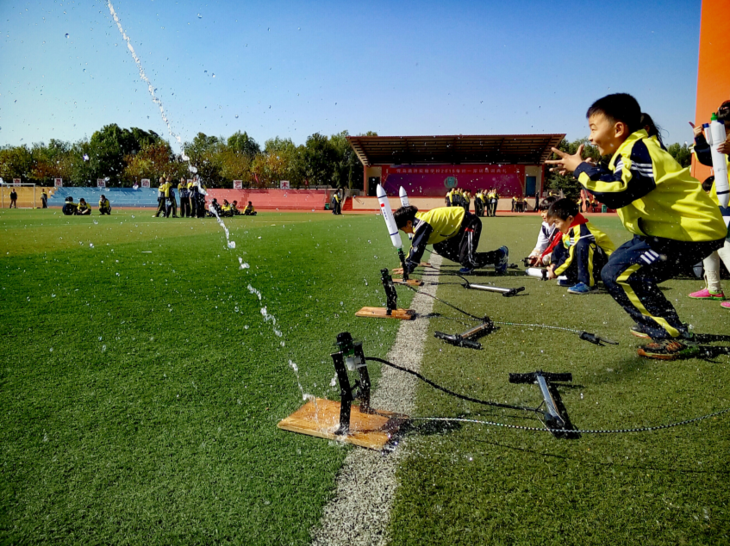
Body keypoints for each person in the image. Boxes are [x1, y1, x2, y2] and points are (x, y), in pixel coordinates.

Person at [547, 93, 727, 359]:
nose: (591, 138)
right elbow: (618, 180)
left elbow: (619, 191)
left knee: (619, 274)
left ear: (618, 128)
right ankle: (660, 321)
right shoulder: (631, 151)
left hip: (691, 233)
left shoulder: (639, 148)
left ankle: (672, 335)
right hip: (669, 231)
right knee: (616, 266)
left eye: (593, 129)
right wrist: (585, 170)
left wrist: (581, 169)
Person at [687, 99, 730, 309]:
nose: (724, 130)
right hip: (719, 202)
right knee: (708, 242)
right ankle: (713, 287)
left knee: (726, 246)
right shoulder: (721, 138)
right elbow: (707, 158)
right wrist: (699, 137)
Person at [393, 205, 508, 275]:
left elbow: (418, 247)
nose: (406, 232)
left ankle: (500, 255)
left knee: (469, 260)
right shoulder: (419, 220)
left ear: (409, 222)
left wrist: (408, 267)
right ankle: (466, 260)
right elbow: (415, 245)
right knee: (439, 246)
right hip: (457, 229)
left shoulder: (421, 223)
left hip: (469, 223)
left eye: (404, 229)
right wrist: (407, 261)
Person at [545, 198, 615, 294]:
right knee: (561, 246)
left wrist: (555, 271)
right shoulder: (570, 230)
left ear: (570, 219)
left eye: (556, 222)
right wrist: (554, 263)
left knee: (582, 245)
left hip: (606, 266)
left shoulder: (583, 231)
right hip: (593, 263)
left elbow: (569, 255)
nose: (556, 226)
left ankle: (588, 283)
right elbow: (564, 248)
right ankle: (574, 278)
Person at [527, 196, 558, 266]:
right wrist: (533, 255)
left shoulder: (562, 226)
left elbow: (564, 248)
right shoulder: (545, 226)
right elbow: (540, 245)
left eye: (545, 212)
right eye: (541, 211)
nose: (542, 215)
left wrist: (544, 258)